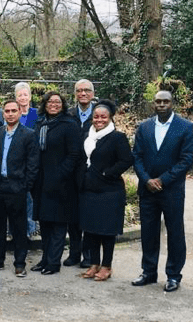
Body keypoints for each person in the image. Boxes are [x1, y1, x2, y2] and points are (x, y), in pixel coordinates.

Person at [131, 90, 193, 293]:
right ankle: (149, 272)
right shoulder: (144, 127)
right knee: (148, 232)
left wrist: (163, 180)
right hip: (148, 190)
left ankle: (174, 275)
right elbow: (137, 156)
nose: (161, 105)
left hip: (172, 190)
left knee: (175, 233)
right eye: (158, 101)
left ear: (172, 103)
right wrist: (146, 180)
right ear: (153, 104)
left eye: (165, 101)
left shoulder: (185, 127)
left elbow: (186, 160)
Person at [75, 100, 133, 281]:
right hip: (89, 190)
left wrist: (108, 173)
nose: (99, 120)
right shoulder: (87, 135)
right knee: (91, 230)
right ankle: (94, 264)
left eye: (103, 117)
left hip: (109, 191)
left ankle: (106, 266)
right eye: (96, 117)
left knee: (107, 231)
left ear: (110, 118)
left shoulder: (117, 137)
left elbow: (126, 160)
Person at [0, 100, 39, 277]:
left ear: (20, 112)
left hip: (17, 187)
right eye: (7, 111)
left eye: (14, 110)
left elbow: (33, 164)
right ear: (3, 114)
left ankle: (20, 263)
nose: (11, 114)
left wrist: (25, 185)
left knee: (19, 227)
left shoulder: (29, 134)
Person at [31, 91, 83, 275]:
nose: (53, 104)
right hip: (41, 181)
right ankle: (45, 259)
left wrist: (61, 174)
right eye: (50, 101)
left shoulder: (69, 124)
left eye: (57, 102)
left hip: (62, 182)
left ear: (63, 105)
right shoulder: (40, 124)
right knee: (45, 223)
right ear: (44, 104)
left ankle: (53, 263)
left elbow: (74, 154)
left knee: (58, 224)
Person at [64, 78, 97, 268]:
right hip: (71, 173)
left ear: (92, 94)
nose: (83, 93)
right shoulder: (68, 114)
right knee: (73, 215)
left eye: (86, 90)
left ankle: (89, 255)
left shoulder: (100, 114)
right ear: (75, 93)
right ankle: (74, 253)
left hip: (92, 173)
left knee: (89, 214)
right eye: (79, 90)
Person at [14, 81, 39, 239]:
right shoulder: (12, 113)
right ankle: (14, 230)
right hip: (16, 160)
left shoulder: (37, 114)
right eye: (20, 95)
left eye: (25, 94)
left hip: (33, 159)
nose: (23, 98)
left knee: (30, 196)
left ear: (30, 97)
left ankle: (30, 229)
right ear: (16, 98)